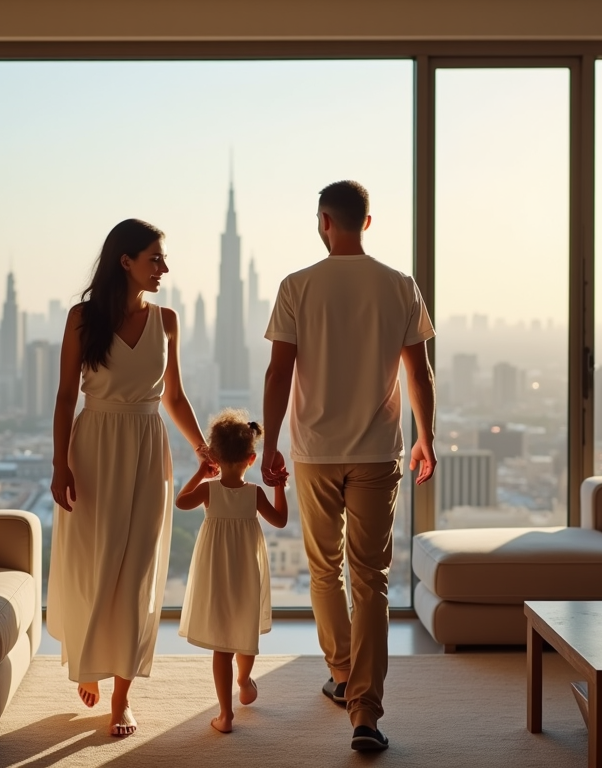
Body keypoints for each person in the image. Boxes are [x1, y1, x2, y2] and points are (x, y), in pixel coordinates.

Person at [261, 180, 437, 752]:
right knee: (372, 580)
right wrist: (425, 438)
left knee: (323, 570)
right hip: (377, 451)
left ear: (323, 222)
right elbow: (420, 373)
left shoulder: (297, 286)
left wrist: (269, 446)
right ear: (366, 222)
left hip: (314, 451)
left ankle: (341, 673)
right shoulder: (399, 285)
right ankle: (365, 711)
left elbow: (277, 374)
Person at [48, 218, 209, 737]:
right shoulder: (81, 318)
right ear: (126, 261)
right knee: (97, 561)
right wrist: (59, 463)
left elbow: (175, 398)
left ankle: (121, 695)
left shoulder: (168, 321)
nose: (164, 268)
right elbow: (65, 396)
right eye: (155, 258)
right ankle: (90, 654)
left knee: (138, 569)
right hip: (93, 447)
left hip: (146, 448)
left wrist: (202, 449)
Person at [175, 409, 288, 734]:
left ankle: (225, 715)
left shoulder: (209, 491)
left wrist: (200, 472)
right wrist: (279, 485)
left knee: (221, 648)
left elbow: (181, 502)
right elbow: (280, 520)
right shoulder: (254, 493)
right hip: (246, 575)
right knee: (245, 633)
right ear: (251, 460)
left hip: (215, 576)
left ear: (214, 455)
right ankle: (244, 678)